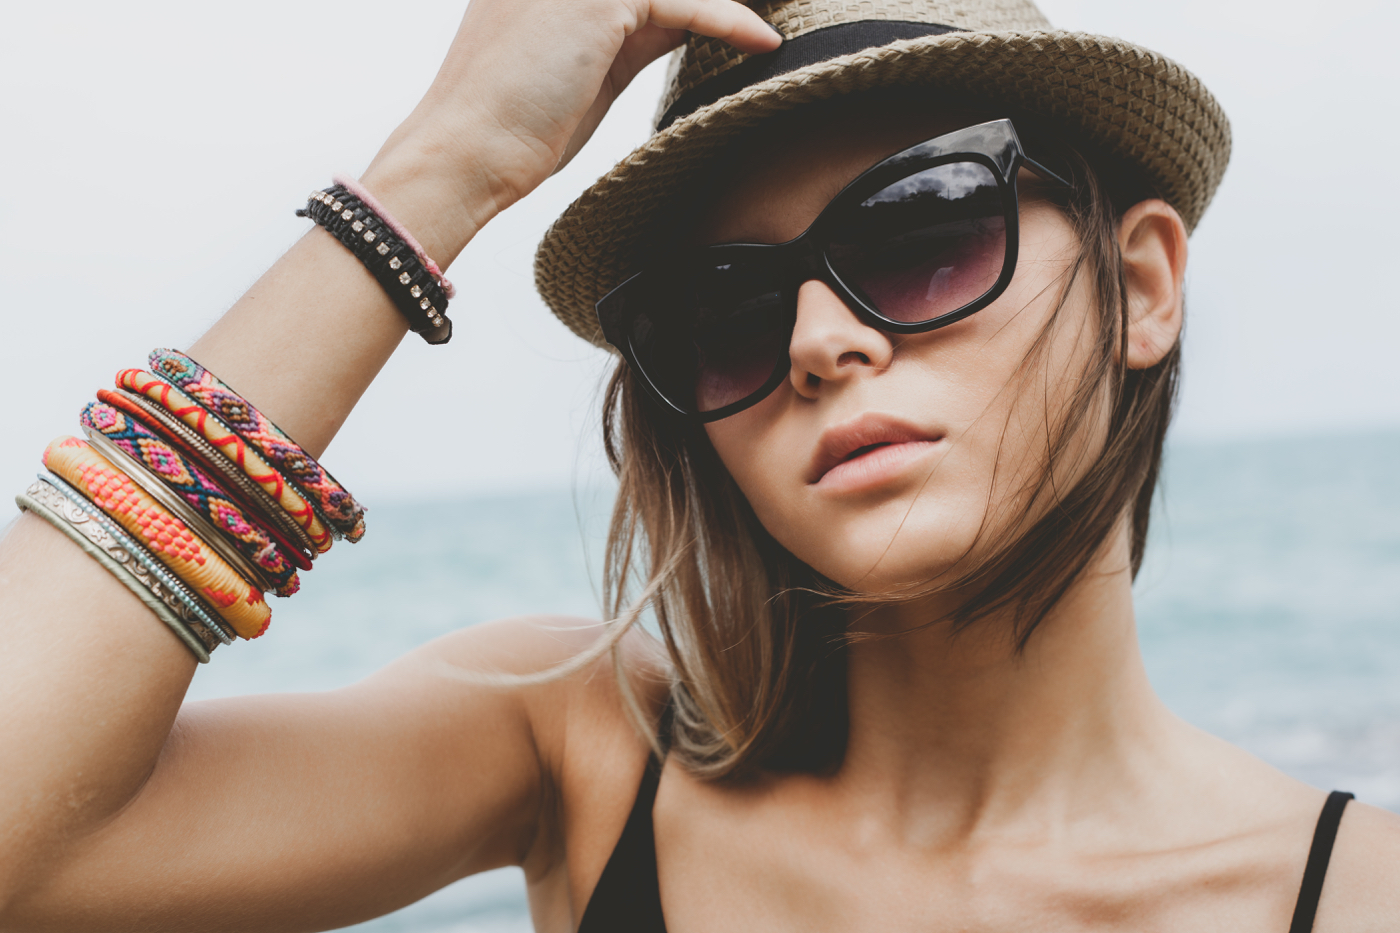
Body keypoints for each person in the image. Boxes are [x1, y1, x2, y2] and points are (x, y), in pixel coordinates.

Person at [1, 0, 1397, 931]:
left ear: (1141, 285)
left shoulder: (1354, 897)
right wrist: (444, 162)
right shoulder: (578, 750)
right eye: (726, 307)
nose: (819, 340)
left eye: (923, 230)